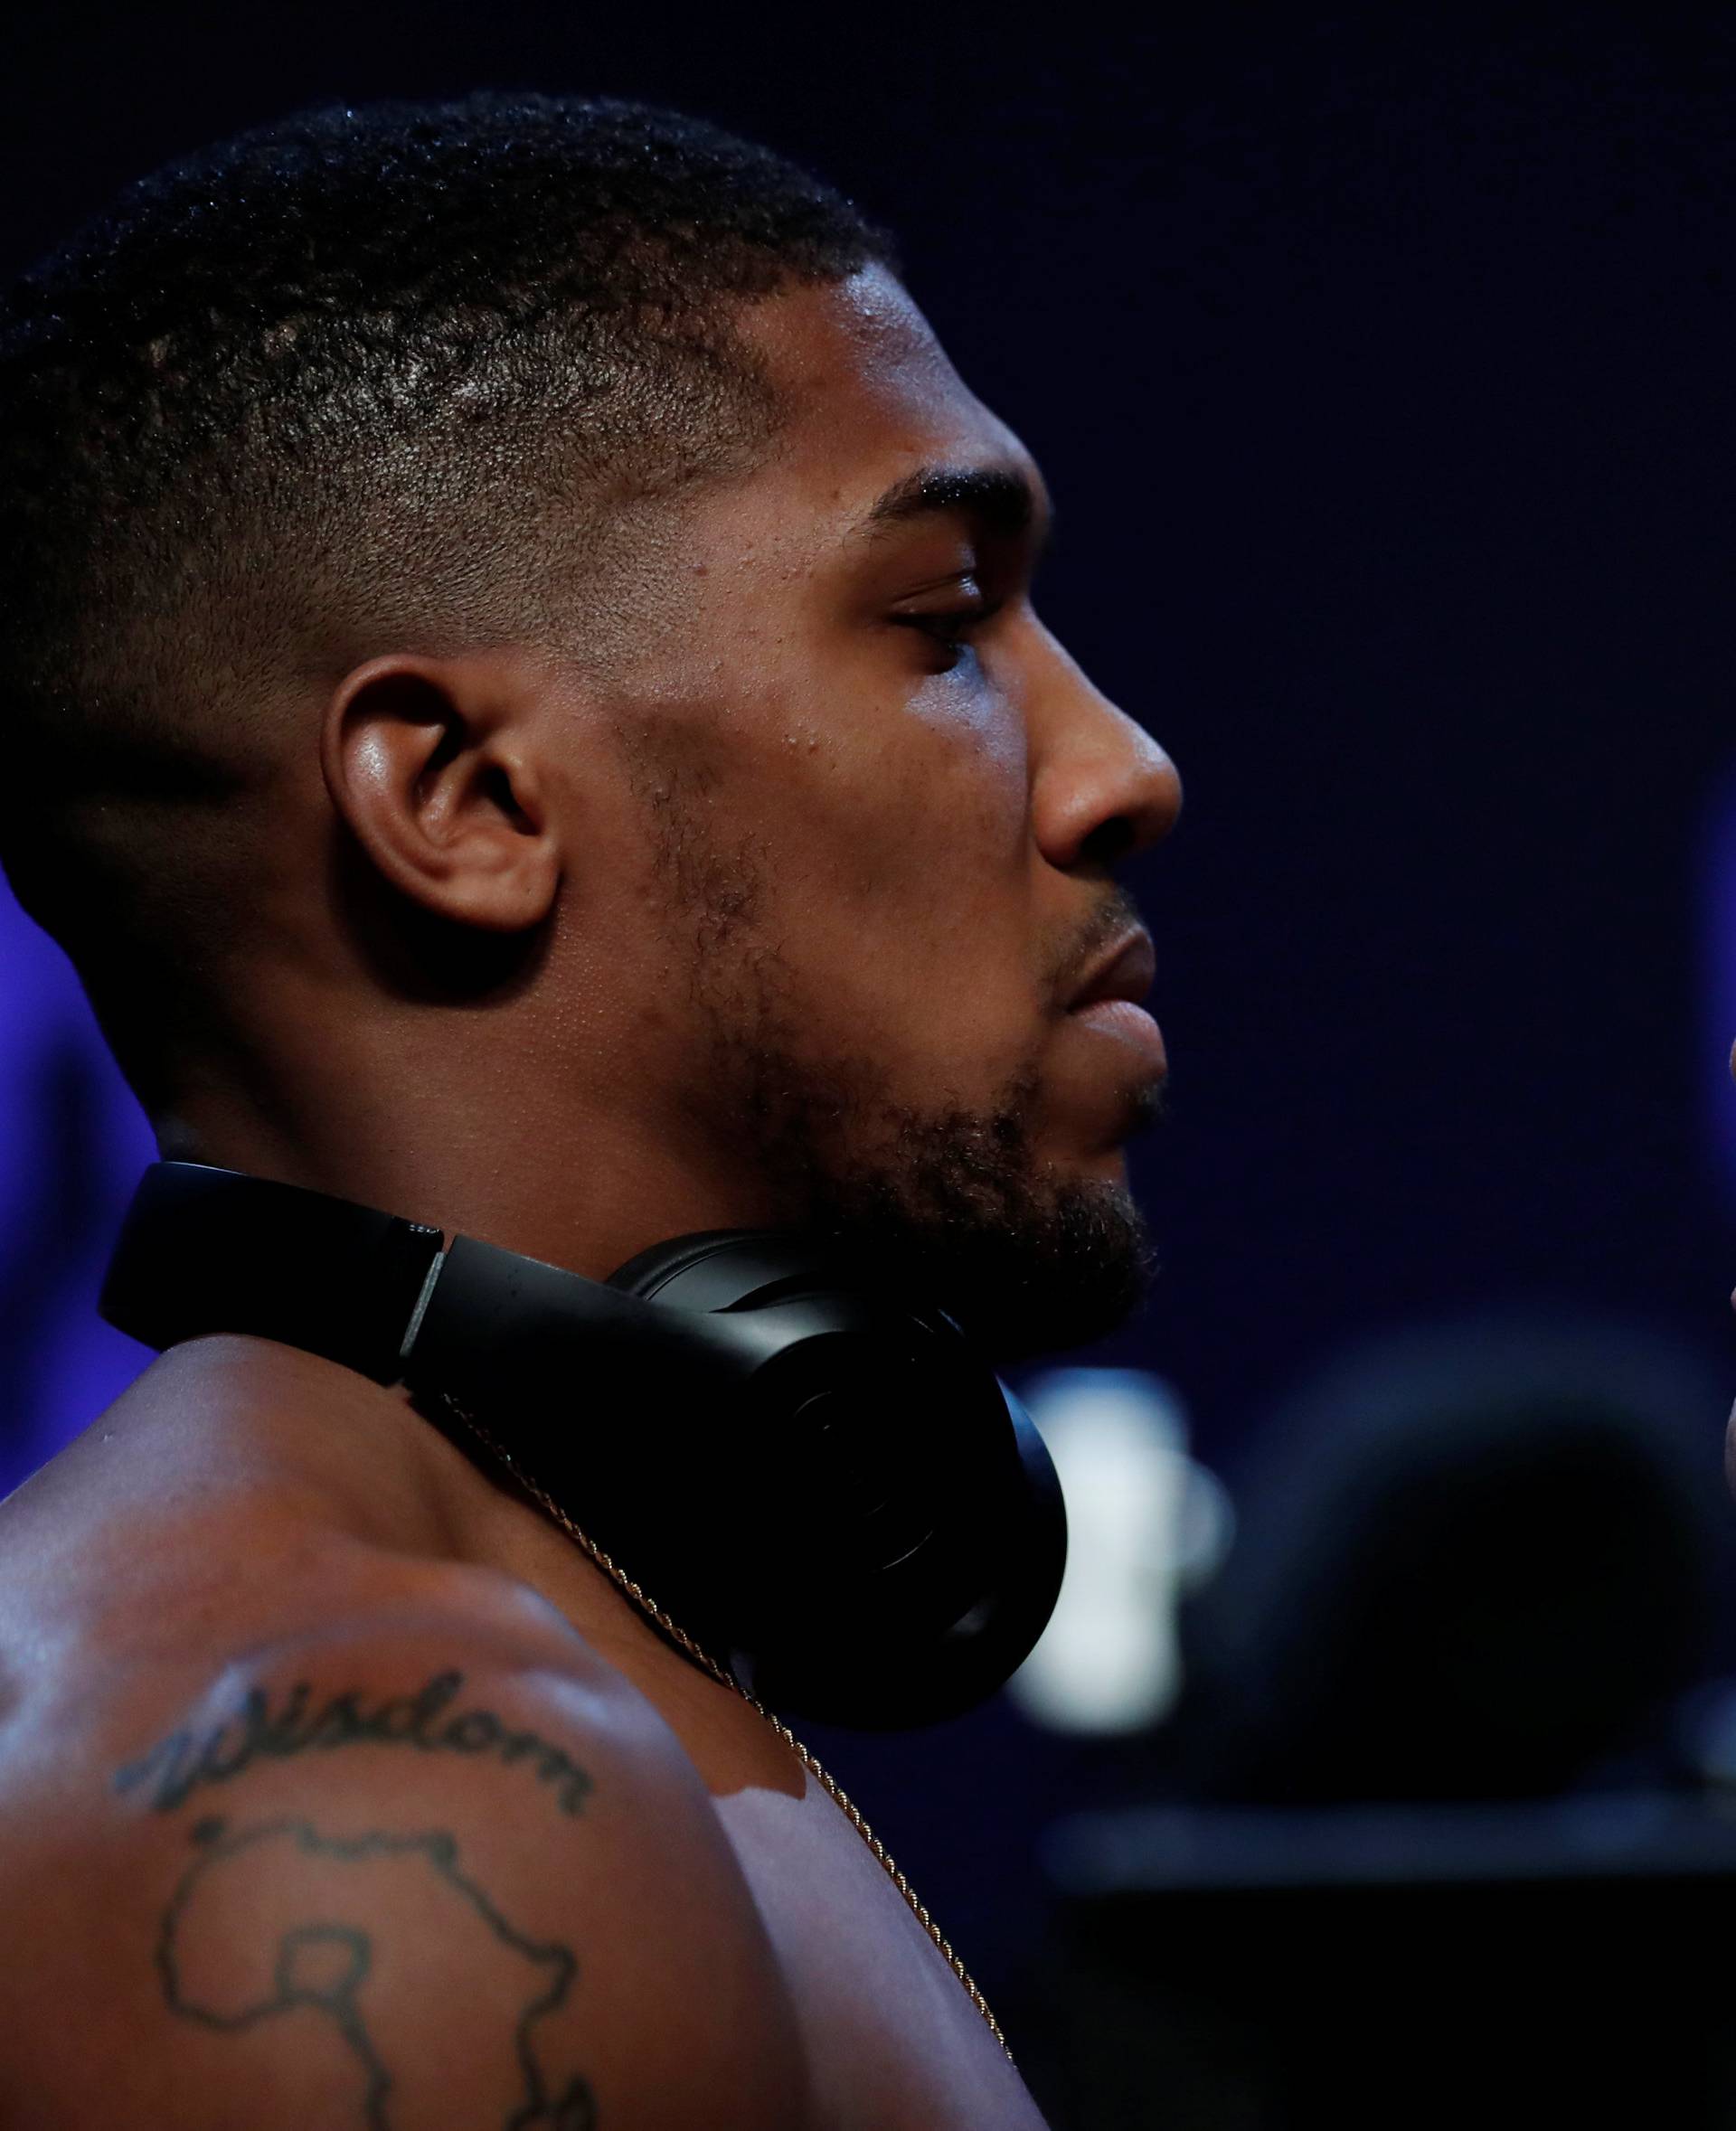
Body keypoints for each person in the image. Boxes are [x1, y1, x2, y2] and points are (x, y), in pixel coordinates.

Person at [0, 94, 1179, 2128]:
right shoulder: (362, 1816)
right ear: (464, 801)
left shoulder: (567, 1678)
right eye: (945, 622)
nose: (1121, 768)